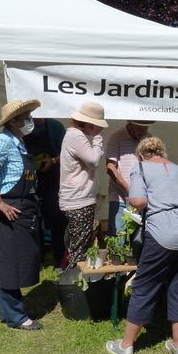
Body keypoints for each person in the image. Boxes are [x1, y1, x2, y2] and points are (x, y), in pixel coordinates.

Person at [106, 137, 178, 354]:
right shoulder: (176, 168)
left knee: (144, 286)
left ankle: (126, 345)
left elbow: (138, 200)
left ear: (141, 155)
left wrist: (144, 199)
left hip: (163, 232)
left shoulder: (140, 167)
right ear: (162, 153)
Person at [0, 100, 43, 331]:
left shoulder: (19, 142)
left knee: (16, 260)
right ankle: (16, 317)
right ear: (13, 121)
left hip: (24, 208)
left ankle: (11, 312)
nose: (30, 120)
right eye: (26, 116)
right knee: (10, 263)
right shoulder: (3, 141)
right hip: (10, 209)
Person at [59, 101, 108, 269]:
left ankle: (72, 281)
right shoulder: (76, 136)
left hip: (74, 199)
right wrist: (98, 138)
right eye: (97, 125)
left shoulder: (72, 135)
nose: (99, 129)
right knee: (80, 249)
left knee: (76, 243)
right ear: (89, 123)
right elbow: (93, 160)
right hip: (79, 200)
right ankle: (74, 286)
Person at [24, 118, 67, 266]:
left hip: (54, 180)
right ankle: (37, 257)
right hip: (29, 180)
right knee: (32, 219)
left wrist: (53, 161)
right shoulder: (23, 126)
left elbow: (68, 154)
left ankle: (60, 257)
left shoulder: (56, 127)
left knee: (57, 220)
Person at [105, 120, 154, 238]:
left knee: (141, 239)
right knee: (118, 239)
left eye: (146, 127)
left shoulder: (150, 139)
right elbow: (110, 168)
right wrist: (129, 189)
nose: (143, 131)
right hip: (120, 199)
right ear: (131, 124)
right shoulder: (116, 137)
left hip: (143, 199)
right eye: (140, 127)